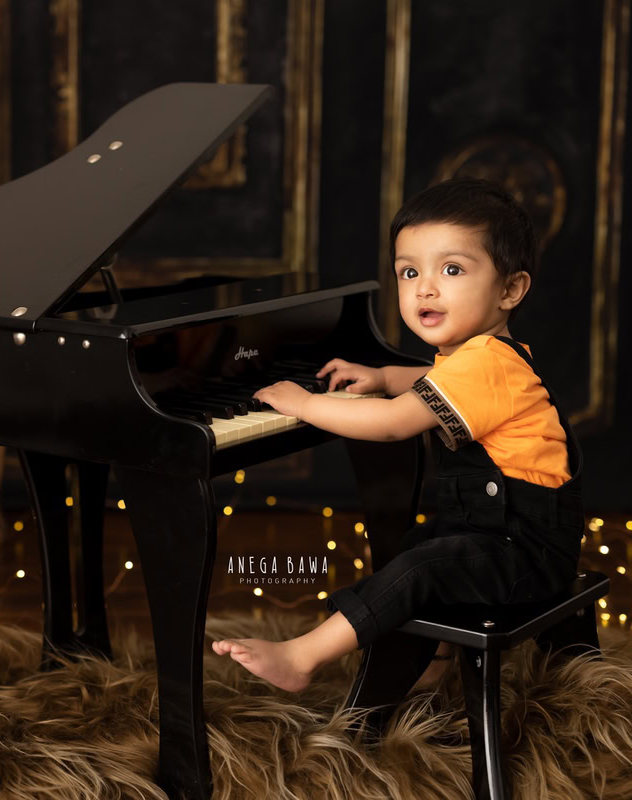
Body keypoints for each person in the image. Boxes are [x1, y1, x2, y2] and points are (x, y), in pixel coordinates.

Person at [211, 176, 584, 693]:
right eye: (409, 272)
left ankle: (304, 656)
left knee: (422, 566)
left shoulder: (485, 365)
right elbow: (435, 385)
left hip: (525, 550)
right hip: (500, 534)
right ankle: (433, 656)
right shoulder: (483, 357)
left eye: (451, 269)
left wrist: (307, 403)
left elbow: (392, 425)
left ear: (510, 290)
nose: (424, 288)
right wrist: (385, 377)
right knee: (419, 545)